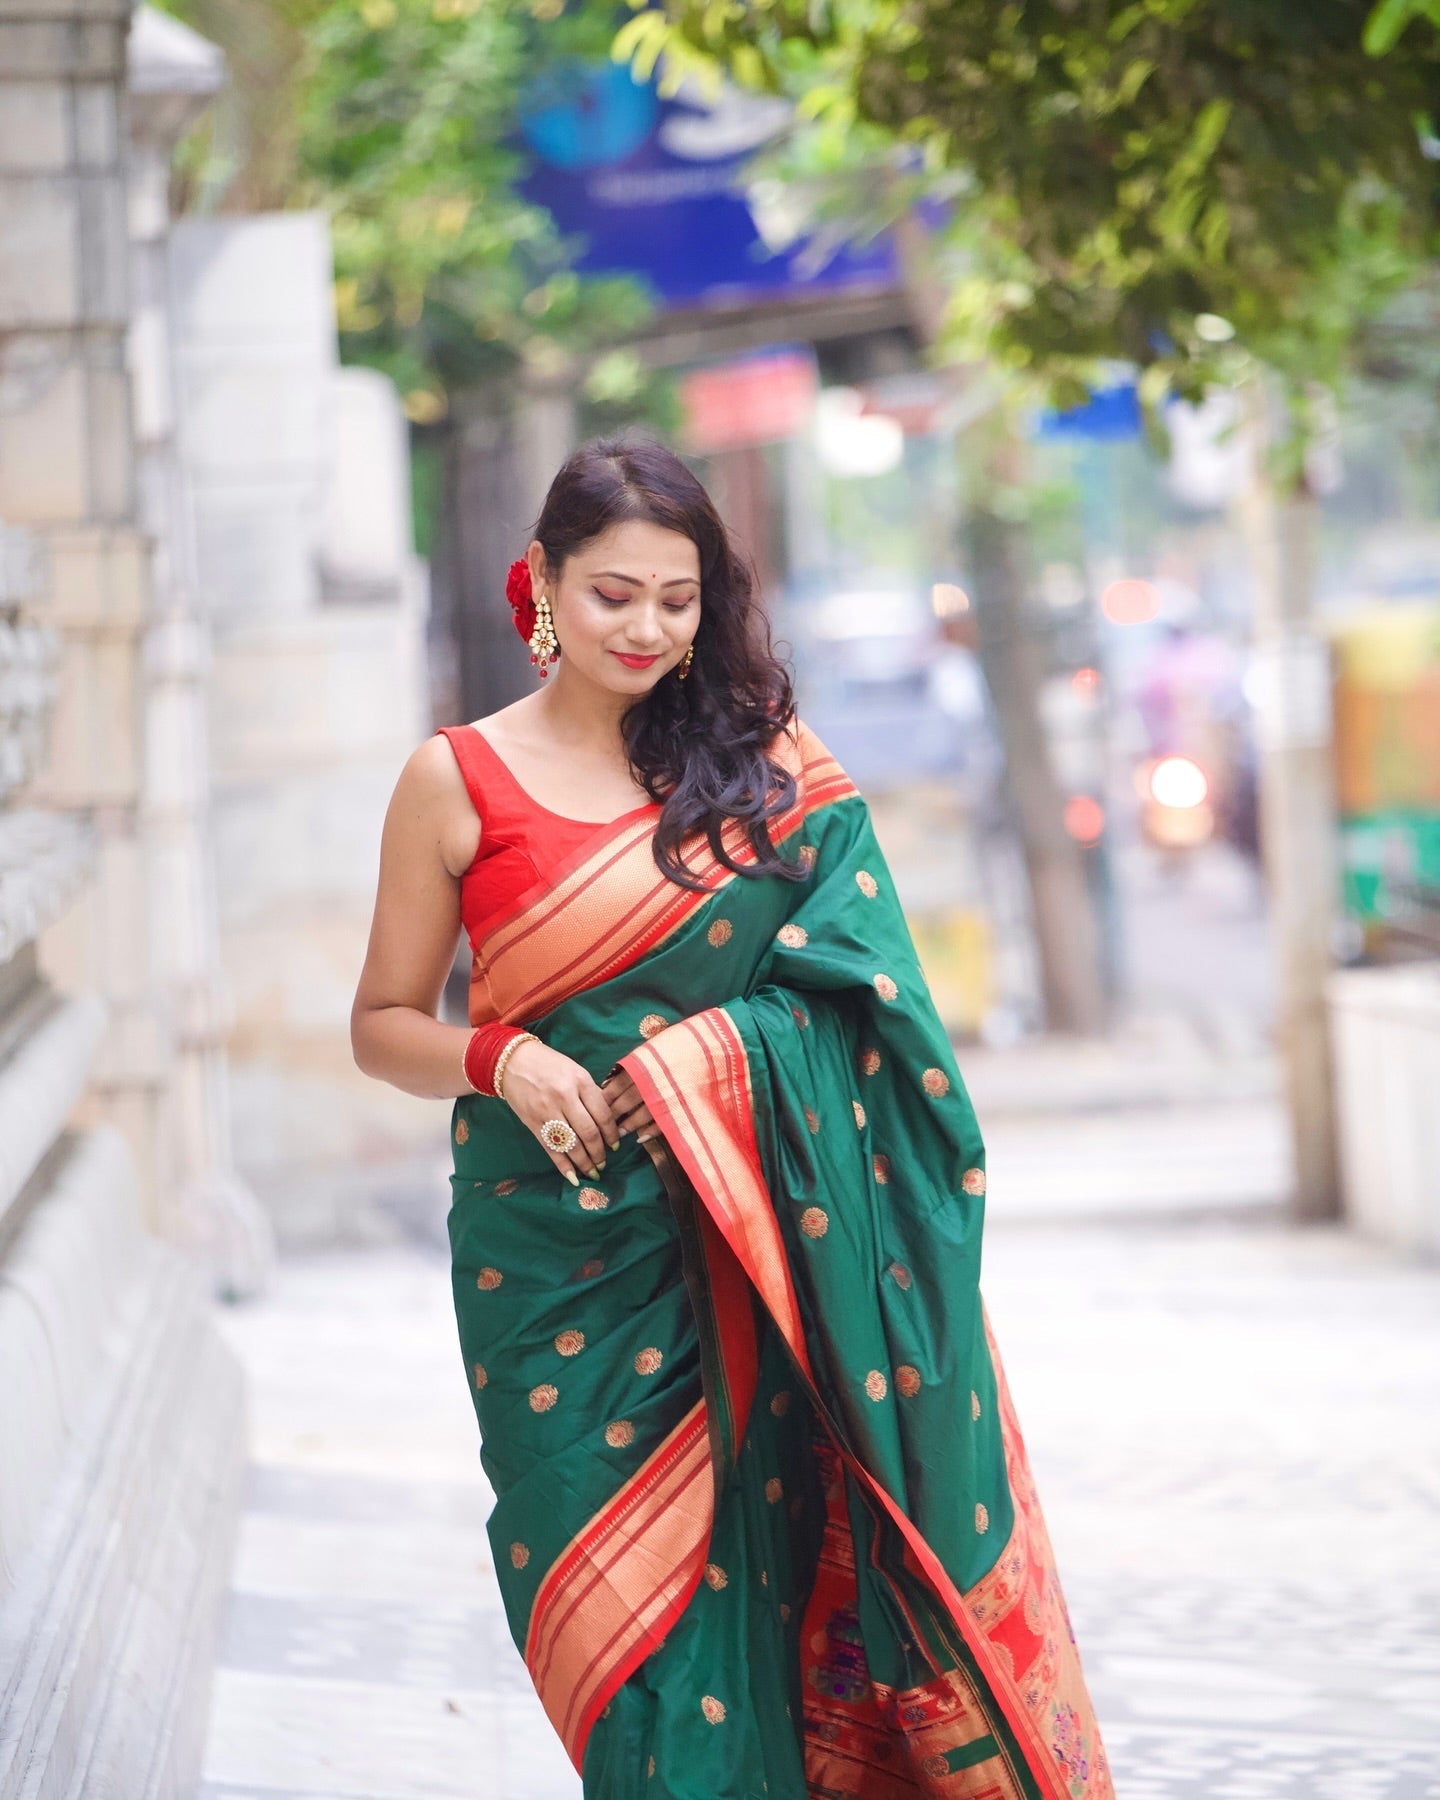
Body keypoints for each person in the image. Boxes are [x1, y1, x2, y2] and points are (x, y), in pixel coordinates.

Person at [350, 438, 1111, 1800]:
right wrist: (502, 1060)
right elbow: (382, 1025)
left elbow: (883, 1017)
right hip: (558, 1262)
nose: (647, 628)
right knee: (620, 1654)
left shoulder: (775, 779)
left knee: (779, 1609)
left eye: (679, 600)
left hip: (763, 1255)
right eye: (612, 595)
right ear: (541, 586)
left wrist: (712, 1060)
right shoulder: (455, 781)